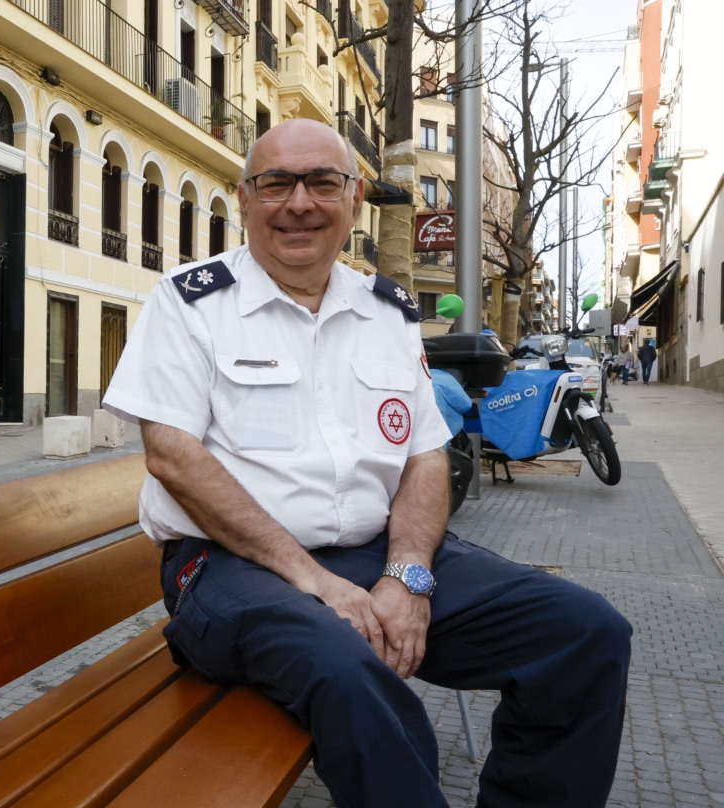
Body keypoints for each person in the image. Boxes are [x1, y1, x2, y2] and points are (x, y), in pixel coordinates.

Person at [102, 119, 631, 808]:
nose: (300, 203)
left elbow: (424, 455)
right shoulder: (189, 303)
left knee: (586, 634)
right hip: (231, 571)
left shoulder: (386, 311)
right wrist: (315, 581)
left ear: (353, 202)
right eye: (277, 183)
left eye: (323, 182)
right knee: (351, 674)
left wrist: (408, 576)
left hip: (374, 557)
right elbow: (173, 458)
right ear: (245, 197)